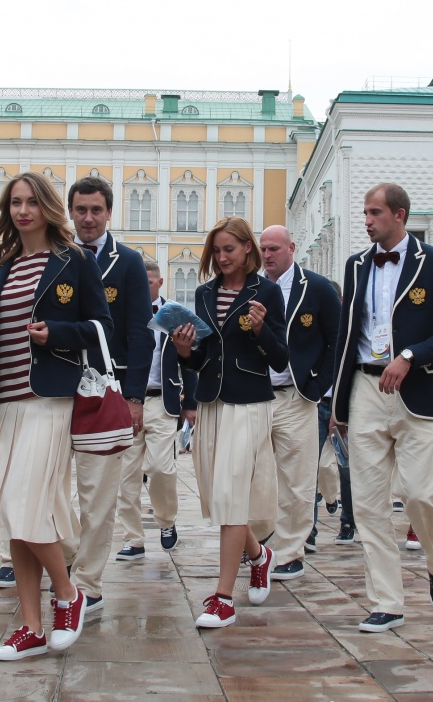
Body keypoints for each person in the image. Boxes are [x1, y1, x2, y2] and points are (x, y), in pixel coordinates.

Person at [0, 170, 112, 660]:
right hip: (4, 404)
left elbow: (100, 329)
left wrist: (57, 335)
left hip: (49, 400)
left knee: (28, 503)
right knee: (14, 517)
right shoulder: (1, 269)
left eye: (31, 202)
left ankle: (68, 595)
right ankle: (30, 627)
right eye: (15, 203)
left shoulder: (75, 262)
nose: (22, 211)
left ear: (47, 207)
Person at [0, 177, 158, 604]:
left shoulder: (129, 262)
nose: (88, 218)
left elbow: (138, 333)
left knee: (98, 493)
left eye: (96, 210)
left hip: (100, 391)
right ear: (69, 211)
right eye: (80, 210)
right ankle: (40, 555)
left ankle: (88, 584)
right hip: (50, 388)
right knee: (41, 485)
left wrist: (134, 397)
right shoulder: (48, 257)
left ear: (109, 213)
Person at [331, 183, 433, 633]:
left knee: (421, 494)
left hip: (417, 391)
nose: (366, 220)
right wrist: (339, 402)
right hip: (366, 390)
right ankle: (386, 601)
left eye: (374, 213)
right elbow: (348, 339)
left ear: (400, 215)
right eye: (365, 213)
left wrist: (409, 356)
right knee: (367, 504)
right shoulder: (355, 266)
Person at [171, 217, 289, 628]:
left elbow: (280, 358)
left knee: (231, 493)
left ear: (247, 250)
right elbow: (203, 357)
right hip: (211, 403)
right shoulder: (203, 294)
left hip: (250, 402)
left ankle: (223, 598)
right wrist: (185, 352)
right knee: (217, 494)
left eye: (229, 250)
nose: (221, 258)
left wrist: (260, 331)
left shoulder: (267, 292)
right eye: (216, 251)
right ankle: (259, 555)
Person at [251, 224, 339, 581]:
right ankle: (260, 543)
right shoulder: (253, 288)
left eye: (273, 249)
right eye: (263, 250)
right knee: (255, 476)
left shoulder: (316, 288)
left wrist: (318, 385)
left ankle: (291, 551)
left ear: (291, 248)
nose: (267, 255)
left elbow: (336, 340)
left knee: (298, 477)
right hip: (256, 395)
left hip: (297, 395)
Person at [114, 261, 197, 560]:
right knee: (126, 474)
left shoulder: (174, 315)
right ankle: (132, 538)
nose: (145, 286)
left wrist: (191, 404)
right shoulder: (122, 312)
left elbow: (189, 358)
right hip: (126, 402)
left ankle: (166, 520)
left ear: (160, 282)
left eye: (150, 281)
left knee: (162, 467)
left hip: (163, 400)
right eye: (140, 281)